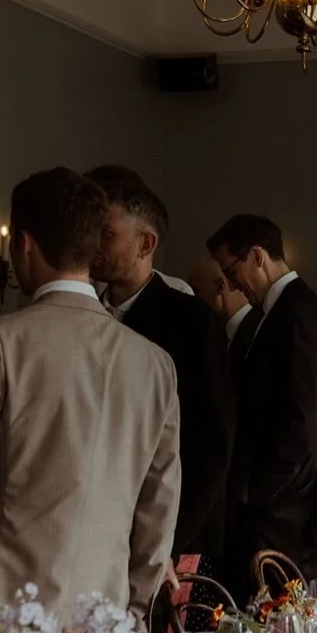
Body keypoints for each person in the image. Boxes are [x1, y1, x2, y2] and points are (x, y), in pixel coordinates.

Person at [0, 168, 181, 633]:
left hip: (8, 613)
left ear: (22, 242)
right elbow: (159, 506)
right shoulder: (154, 363)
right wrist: (135, 616)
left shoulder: (3, 340)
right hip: (103, 621)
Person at [207, 213, 317, 592]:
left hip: (289, 507)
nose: (232, 285)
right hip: (290, 501)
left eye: (231, 271)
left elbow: (301, 420)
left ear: (257, 256)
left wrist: (263, 492)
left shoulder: (296, 313)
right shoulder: (290, 310)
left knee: (282, 620)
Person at [86, 166, 234, 560]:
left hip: (176, 536)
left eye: (106, 233)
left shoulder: (191, 320)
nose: (92, 243)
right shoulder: (84, 317)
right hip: (101, 532)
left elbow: (211, 443)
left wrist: (169, 542)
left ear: (145, 243)